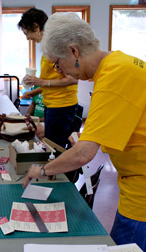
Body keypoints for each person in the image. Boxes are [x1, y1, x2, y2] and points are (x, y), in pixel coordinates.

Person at [23, 13, 146, 250]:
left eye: (57, 63)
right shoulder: (117, 63)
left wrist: (42, 170)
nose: (59, 71)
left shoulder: (114, 75)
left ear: (74, 51)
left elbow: (84, 154)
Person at [18, 8, 78, 148]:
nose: (27, 38)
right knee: (50, 143)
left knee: (54, 147)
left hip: (62, 106)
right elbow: (51, 82)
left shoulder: (56, 46)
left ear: (36, 27)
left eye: (27, 33)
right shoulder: (47, 48)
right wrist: (33, 91)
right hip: (52, 104)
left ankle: (54, 170)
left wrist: (40, 82)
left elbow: (73, 79)